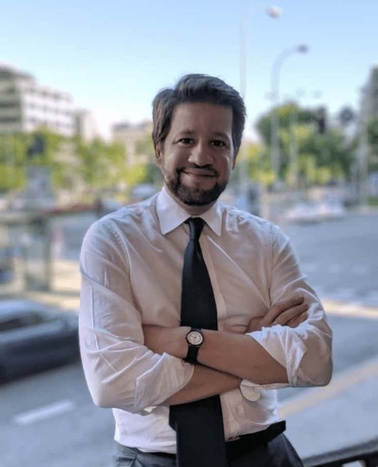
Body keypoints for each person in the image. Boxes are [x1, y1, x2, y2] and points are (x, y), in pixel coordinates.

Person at [79, 73, 333, 467]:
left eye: (218, 142)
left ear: (234, 154)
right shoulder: (112, 241)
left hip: (266, 455)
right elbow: (112, 381)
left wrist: (183, 341)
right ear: (159, 148)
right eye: (186, 140)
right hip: (153, 461)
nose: (201, 156)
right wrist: (251, 358)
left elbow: (316, 360)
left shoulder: (267, 242)